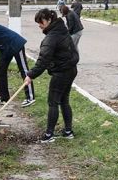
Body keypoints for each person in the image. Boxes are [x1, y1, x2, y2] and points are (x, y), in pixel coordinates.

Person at [24, 8, 79, 143]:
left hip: (62, 72)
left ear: (49, 20)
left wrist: (30, 75)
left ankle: (49, 135)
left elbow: (43, 60)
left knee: (53, 102)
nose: (39, 25)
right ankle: (68, 131)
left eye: (41, 22)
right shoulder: (62, 30)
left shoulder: (52, 37)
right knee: (64, 100)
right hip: (70, 69)